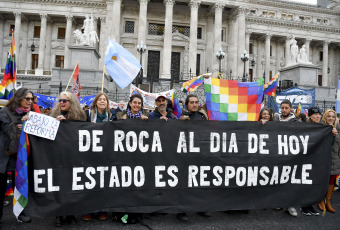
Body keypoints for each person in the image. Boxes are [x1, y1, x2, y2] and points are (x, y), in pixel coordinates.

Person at [51, 92, 86, 227]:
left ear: (72, 103)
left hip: (73, 156)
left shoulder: (80, 116)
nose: (62, 103)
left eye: (65, 101)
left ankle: (71, 213)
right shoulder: (53, 116)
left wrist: (68, 124)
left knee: (72, 186)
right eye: (60, 100)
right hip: (58, 157)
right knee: (59, 185)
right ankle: (59, 215)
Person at [0, 88, 35, 224]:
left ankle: (21, 212)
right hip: (4, 155)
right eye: (27, 99)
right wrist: (20, 123)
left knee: (21, 185)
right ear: (19, 99)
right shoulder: (4, 112)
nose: (30, 101)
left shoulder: (31, 115)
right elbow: (5, 129)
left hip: (21, 157)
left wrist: (30, 122)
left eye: (32, 99)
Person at [177, 95, 209, 222]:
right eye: (192, 102)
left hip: (200, 155)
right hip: (185, 156)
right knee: (184, 184)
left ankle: (200, 207)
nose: (195, 105)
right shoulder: (181, 117)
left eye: (196, 102)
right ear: (186, 105)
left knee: (200, 183)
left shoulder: (203, 116)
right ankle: (182, 211)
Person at [83, 93, 112, 221]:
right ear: (95, 102)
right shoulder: (88, 114)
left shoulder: (112, 115)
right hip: (89, 153)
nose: (102, 101)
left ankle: (101, 209)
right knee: (89, 182)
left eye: (104, 99)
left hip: (105, 154)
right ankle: (88, 209)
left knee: (103, 183)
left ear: (107, 102)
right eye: (99, 99)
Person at [273, 99, 300, 217]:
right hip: (278, 155)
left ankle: (291, 205)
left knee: (290, 181)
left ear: (290, 109)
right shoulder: (275, 120)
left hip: (291, 156)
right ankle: (279, 201)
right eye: (282, 108)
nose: (284, 110)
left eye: (286, 108)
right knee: (278, 179)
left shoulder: (297, 122)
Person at [299, 107, 323, 216]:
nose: (318, 116)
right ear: (310, 115)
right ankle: (304, 205)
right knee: (305, 182)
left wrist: (332, 133)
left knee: (313, 183)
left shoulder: (323, 127)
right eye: (315, 114)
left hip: (317, 159)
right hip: (305, 159)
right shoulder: (303, 126)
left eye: (319, 114)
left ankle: (311, 205)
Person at [319, 109, 340, 213]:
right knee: (322, 179)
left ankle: (328, 201)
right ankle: (320, 200)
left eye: (333, 116)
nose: (331, 118)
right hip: (323, 158)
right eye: (329, 116)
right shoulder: (320, 128)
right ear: (325, 117)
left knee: (331, 179)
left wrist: (336, 135)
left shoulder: (338, 129)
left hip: (335, 158)